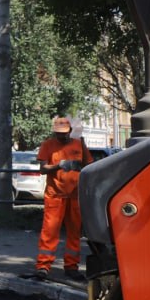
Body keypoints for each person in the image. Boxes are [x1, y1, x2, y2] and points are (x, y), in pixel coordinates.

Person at [35, 115, 93, 281]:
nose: (61, 136)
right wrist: (58, 166)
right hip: (55, 195)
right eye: (58, 133)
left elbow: (88, 165)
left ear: (70, 131)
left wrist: (79, 166)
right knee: (49, 232)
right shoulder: (48, 145)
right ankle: (43, 267)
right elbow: (42, 169)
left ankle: (71, 267)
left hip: (74, 195)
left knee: (74, 232)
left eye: (64, 133)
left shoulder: (79, 144)